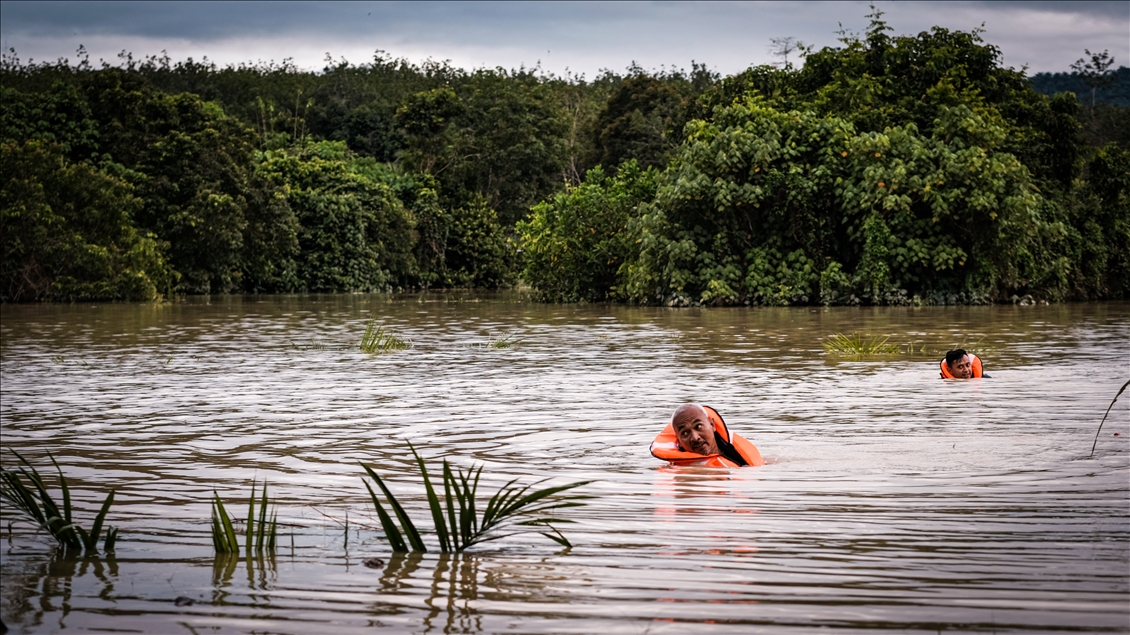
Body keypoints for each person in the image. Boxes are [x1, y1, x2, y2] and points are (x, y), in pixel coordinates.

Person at [650, 404, 765, 467]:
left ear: (712, 425)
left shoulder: (735, 450)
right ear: (679, 441)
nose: (695, 437)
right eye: (685, 433)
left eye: (698, 427)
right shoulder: (682, 470)